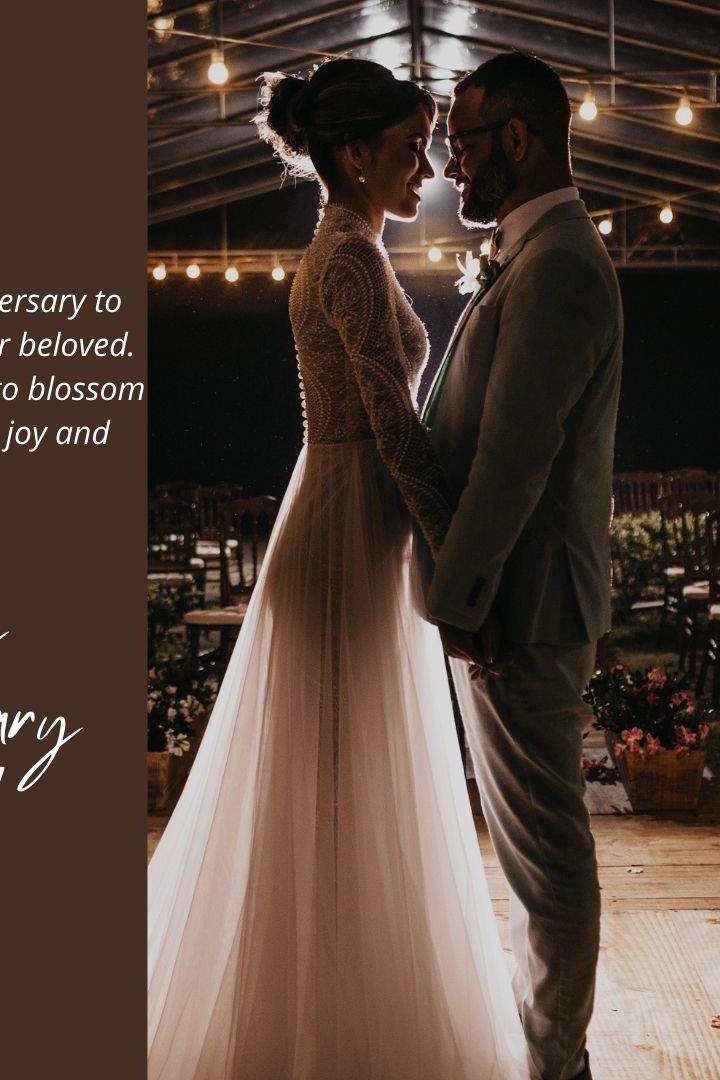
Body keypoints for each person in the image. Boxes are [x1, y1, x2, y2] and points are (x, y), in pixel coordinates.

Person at [148, 58, 529, 1080]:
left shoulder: (352, 248)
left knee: (345, 783)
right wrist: (463, 574)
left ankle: (338, 1011)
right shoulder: (351, 261)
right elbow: (396, 434)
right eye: (410, 148)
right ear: (354, 152)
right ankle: (326, 1032)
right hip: (349, 528)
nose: (428, 168)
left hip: (348, 519)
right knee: (338, 782)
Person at [421, 52, 623, 1080]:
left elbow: (513, 460)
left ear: (517, 137)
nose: (452, 164)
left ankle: (559, 1064)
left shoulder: (556, 269)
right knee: (533, 850)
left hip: (523, 612)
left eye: (463, 140)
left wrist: (462, 600)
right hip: (513, 604)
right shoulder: (531, 256)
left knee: (547, 861)